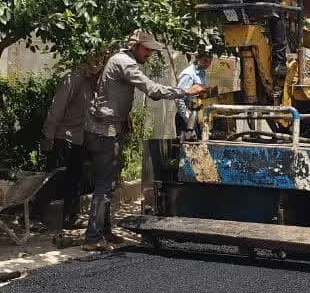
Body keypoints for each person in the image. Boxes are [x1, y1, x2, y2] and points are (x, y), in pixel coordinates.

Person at [83, 30, 206, 249]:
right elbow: (152, 90)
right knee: (104, 184)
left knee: (109, 183)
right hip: (104, 132)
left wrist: (125, 116)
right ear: (135, 46)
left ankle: (104, 231)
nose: (149, 53)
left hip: (109, 127)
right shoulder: (125, 63)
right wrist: (185, 91)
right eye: (146, 49)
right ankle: (93, 238)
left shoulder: (122, 60)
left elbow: (111, 95)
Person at [35, 51, 105, 228]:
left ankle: (70, 218)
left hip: (80, 138)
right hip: (63, 137)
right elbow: (56, 109)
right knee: (54, 178)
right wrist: (48, 136)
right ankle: (35, 216)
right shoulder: (73, 79)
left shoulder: (93, 84)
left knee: (75, 179)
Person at [174, 53, 213, 138]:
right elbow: (178, 98)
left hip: (197, 117)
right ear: (197, 58)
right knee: (187, 146)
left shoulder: (202, 73)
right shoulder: (189, 74)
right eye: (205, 61)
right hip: (186, 117)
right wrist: (187, 118)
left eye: (210, 62)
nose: (207, 64)